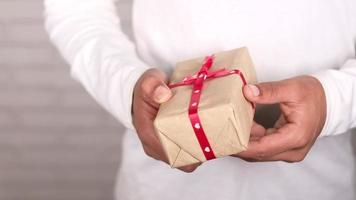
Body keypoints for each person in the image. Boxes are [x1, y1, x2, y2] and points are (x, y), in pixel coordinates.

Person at [44, 0, 356, 199]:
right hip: (163, 187)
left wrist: (334, 101)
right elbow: (74, 10)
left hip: (321, 185)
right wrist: (127, 87)